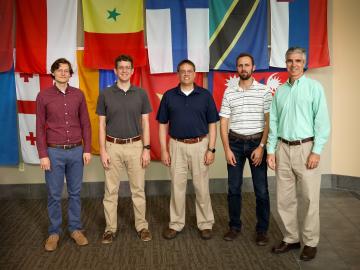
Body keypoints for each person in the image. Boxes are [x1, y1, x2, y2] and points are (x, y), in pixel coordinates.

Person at [267, 47, 330, 261]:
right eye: (289, 61)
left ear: (304, 63)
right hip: (282, 148)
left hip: (306, 149)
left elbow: (322, 122)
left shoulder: (314, 88)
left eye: (298, 60)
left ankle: (310, 242)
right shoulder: (281, 91)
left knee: (310, 198)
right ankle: (291, 238)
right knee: (284, 198)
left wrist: (316, 151)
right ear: (285, 63)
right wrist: (270, 150)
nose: (293, 64)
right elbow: (273, 122)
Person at [157, 59, 219, 240]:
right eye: (182, 71)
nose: (186, 74)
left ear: (194, 74)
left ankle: (205, 223)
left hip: (200, 146)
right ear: (178, 74)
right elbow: (162, 125)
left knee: (202, 187)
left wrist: (211, 149)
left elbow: (212, 124)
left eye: (189, 71)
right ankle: (176, 223)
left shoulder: (205, 95)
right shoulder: (169, 96)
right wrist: (164, 150)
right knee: (177, 187)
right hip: (176, 146)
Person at [36, 58, 91, 251]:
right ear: (53, 73)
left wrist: (87, 149)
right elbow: (40, 128)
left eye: (66, 70)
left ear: (70, 74)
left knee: (75, 193)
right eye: (59, 70)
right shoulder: (43, 96)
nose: (63, 73)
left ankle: (75, 229)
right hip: (53, 152)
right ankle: (54, 232)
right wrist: (43, 154)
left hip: (76, 151)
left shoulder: (79, 95)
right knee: (54, 194)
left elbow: (86, 123)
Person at [96, 55, 152, 243]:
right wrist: (103, 150)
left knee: (138, 189)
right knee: (110, 190)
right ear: (115, 70)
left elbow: (145, 122)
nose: (124, 70)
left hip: (136, 146)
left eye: (128, 67)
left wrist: (146, 148)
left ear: (133, 70)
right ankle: (110, 229)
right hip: (112, 146)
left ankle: (142, 226)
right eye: (121, 67)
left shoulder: (141, 93)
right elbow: (101, 124)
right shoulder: (105, 93)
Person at [219, 53, 272, 245]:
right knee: (233, 189)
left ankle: (262, 230)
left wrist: (261, 147)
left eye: (247, 65)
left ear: (253, 67)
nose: (243, 68)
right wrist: (226, 149)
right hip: (235, 144)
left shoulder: (265, 91)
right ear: (237, 69)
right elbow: (223, 121)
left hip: (257, 144)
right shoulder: (229, 92)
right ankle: (234, 226)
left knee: (261, 190)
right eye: (240, 65)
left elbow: (268, 122)